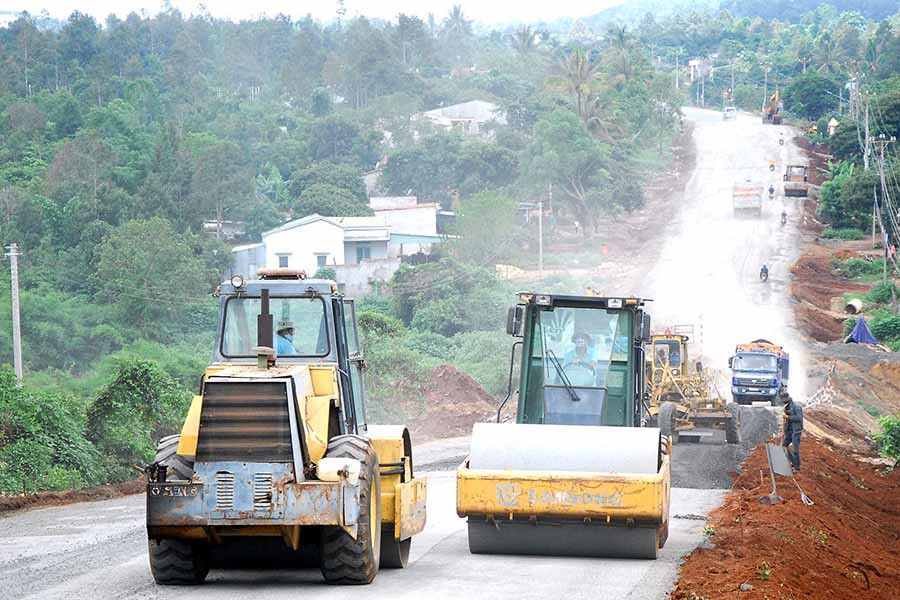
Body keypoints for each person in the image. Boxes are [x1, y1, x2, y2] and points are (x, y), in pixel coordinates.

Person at [782, 395, 804, 471]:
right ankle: (792, 462)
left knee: (795, 450)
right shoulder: (786, 408)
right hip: (789, 431)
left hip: (796, 431)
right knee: (783, 447)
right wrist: (784, 430)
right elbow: (786, 422)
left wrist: (788, 417)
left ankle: (797, 468)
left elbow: (799, 418)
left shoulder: (796, 407)